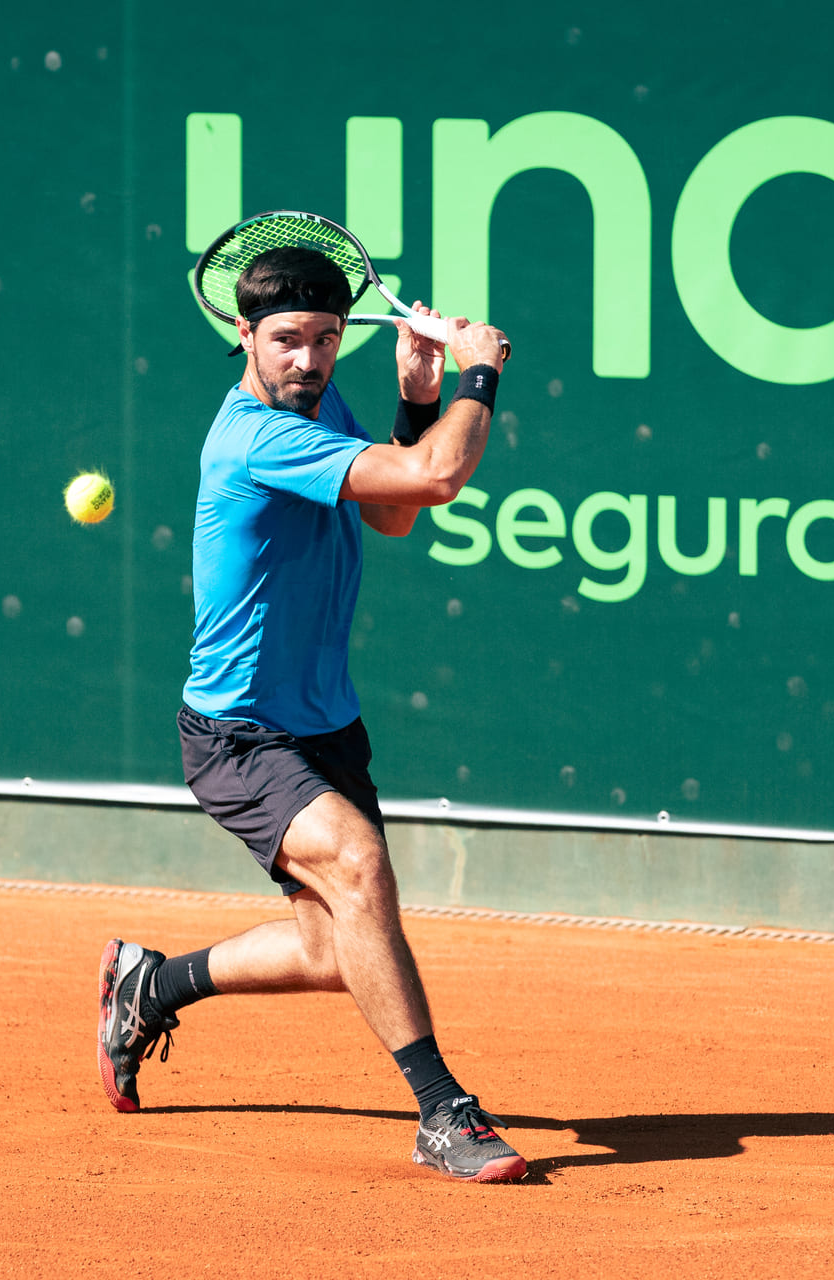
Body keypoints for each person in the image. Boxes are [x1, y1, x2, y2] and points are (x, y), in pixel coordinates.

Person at [96, 245, 523, 1182]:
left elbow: (395, 515)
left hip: (326, 725)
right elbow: (437, 481)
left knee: (338, 947)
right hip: (240, 732)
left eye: (326, 340)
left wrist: (416, 400)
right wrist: (478, 371)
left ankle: (150, 986)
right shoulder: (255, 436)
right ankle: (444, 1112)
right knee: (360, 866)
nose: (309, 359)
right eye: (287, 340)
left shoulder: (317, 403)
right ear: (244, 335)